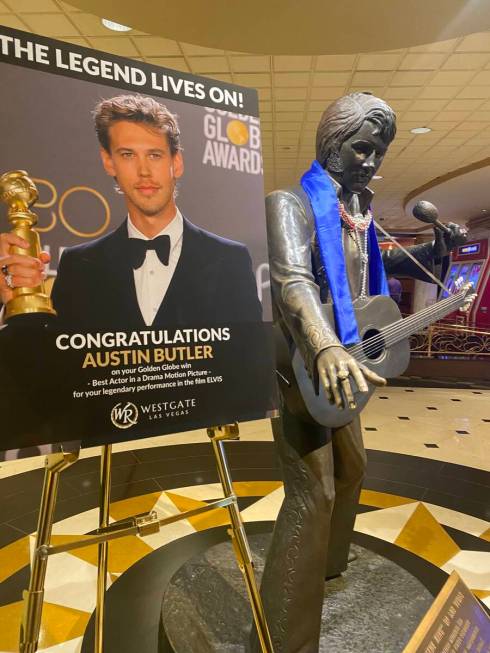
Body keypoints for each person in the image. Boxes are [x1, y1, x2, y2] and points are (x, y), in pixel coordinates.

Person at [251, 92, 467, 653]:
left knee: (354, 468)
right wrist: (323, 346)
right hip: (302, 362)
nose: (371, 161)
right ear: (332, 142)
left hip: (346, 364)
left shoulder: (358, 213)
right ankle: (283, 635)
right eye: (362, 147)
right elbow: (292, 281)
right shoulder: (290, 203)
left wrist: (434, 250)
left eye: (380, 152)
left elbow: (375, 264)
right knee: (312, 489)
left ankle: (326, 565)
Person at [0, 94, 262, 329]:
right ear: (108, 161)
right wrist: (15, 304)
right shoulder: (78, 265)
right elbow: (55, 368)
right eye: (127, 155)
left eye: (155, 155)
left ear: (177, 162)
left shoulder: (230, 259)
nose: (144, 171)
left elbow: (248, 365)